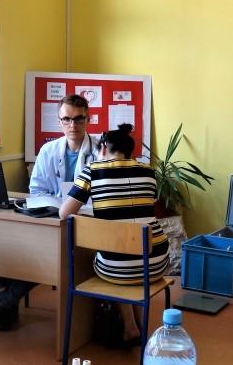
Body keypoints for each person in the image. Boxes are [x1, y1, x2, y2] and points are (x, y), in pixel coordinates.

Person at [0, 94, 98, 331]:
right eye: (67, 119)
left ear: (88, 119)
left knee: (50, 260)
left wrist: (74, 206)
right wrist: (57, 204)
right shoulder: (48, 150)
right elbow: (36, 189)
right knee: (29, 252)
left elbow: (102, 193)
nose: (73, 125)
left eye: (79, 119)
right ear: (59, 121)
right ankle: (6, 304)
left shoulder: (100, 151)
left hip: (87, 223)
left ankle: (2, 301)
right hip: (51, 220)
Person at [59, 124, 168, 346]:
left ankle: (129, 327)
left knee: (111, 256)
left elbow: (64, 213)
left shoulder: (93, 170)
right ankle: (136, 324)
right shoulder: (149, 171)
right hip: (157, 261)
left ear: (103, 148)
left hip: (116, 269)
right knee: (127, 250)